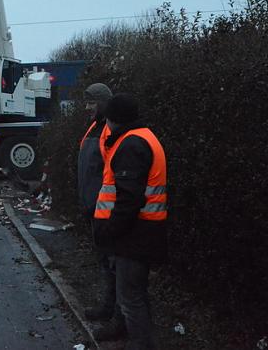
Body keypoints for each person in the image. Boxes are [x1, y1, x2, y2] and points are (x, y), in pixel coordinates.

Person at [93, 93, 168, 350]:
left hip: (135, 233)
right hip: (145, 229)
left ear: (113, 119)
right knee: (135, 293)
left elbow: (128, 199)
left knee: (130, 297)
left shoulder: (131, 144)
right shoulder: (143, 137)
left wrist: (111, 231)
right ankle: (137, 340)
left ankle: (142, 345)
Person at [77, 83, 119, 327]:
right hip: (95, 208)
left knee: (113, 265)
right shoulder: (95, 127)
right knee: (105, 262)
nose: (87, 107)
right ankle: (109, 308)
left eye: (92, 102)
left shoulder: (109, 130)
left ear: (103, 103)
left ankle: (115, 315)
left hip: (105, 211)